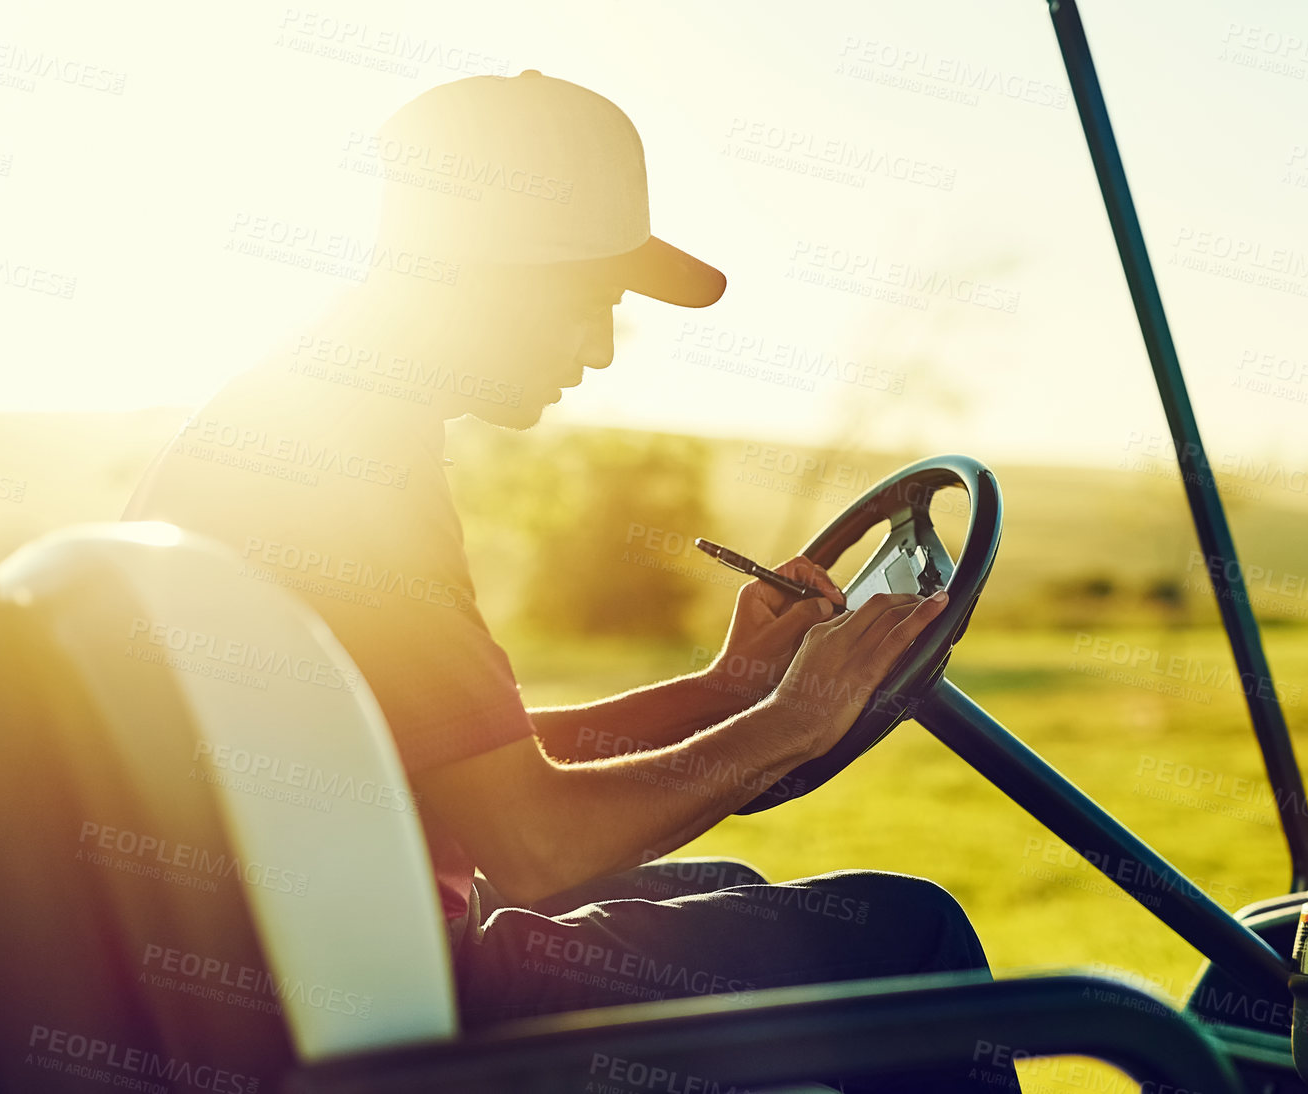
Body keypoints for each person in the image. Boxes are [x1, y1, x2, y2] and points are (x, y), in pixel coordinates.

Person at [124, 71, 1014, 1092]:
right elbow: (537, 843)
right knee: (905, 939)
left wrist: (722, 694)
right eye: (587, 301)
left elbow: (470, 763)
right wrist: (792, 721)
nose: (597, 348)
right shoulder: (347, 471)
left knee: (736, 891)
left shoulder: (294, 414)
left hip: (324, 956)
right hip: (374, 1015)